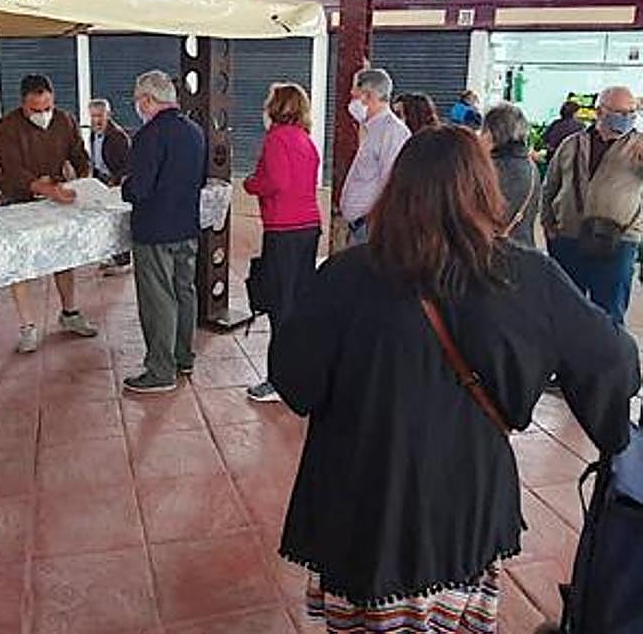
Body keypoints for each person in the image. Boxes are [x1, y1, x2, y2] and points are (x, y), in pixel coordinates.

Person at [271, 126, 639, 633]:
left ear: (397, 190)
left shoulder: (345, 275)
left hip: (359, 500)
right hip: (464, 500)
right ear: (486, 190)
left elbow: (294, 382)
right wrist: (611, 431)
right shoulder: (529, 277)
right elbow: (615, 361)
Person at [0, 74, 99, 353]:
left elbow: (80, 155)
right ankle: (27, 327)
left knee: (64, 256)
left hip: (57, 198)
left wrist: (81, 179)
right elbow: (13, 169)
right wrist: (44, 188)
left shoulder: (65, 120)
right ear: (23, 104)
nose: (42, 115)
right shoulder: (7, 126)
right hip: (19, 200)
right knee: (21, 263)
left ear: (53, 100)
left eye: (47, 108)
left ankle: (70, 313)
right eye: (35, 110)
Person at [121, 71, 206, 393]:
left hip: (155, 229)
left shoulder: (148, 136)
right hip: (187, 224)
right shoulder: (194, 131)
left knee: (158, 299)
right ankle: (183, 357)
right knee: (185, 292)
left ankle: (159, 370)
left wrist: (124, 187)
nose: (137, 106)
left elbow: (140, 188)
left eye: (137, 100)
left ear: (147, 99)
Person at [242, 84, 321, 403]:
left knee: (281, 305)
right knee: (299, 302)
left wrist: (250, 184)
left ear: (278, 107)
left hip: (284, 229)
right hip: (308, 226)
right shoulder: (306, 139)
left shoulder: (277, 138)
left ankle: (278, 380)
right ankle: (301, 372)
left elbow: (276, 181)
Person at [542, 86, 643, 326]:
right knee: (566, 308)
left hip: (619, 240)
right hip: (568, 237)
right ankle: (567, 360)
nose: (627, 117)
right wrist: (548, 223)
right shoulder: (572, 144)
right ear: (599, 112)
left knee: (609, 311)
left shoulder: (639, 147)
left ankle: (606, 360)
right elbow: (551, 185)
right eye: (619, 112)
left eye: (632, 112)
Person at [339, 68, 410, 245]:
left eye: (354, 92)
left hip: (372, 228)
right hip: (360, 228)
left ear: (367, 95)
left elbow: (390, 182)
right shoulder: (371, 129)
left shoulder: (392, 131)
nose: (351, 96)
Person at [484, 103, 540, 247]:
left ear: (491, 133)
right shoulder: (531, 167)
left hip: (493, 252)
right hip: (524, 248)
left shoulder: (490, 169)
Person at [89, 98, 132, 272]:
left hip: (114, 183)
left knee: (117, 223)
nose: (96, 120)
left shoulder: (118, 136)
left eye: (100, 116)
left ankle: (123, 261)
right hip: (101, 181)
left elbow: (128, 165)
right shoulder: (94, 133)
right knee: (104, 221)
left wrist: (114, 182)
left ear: (109, 115)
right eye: (93, 116)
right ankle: (112, 255)